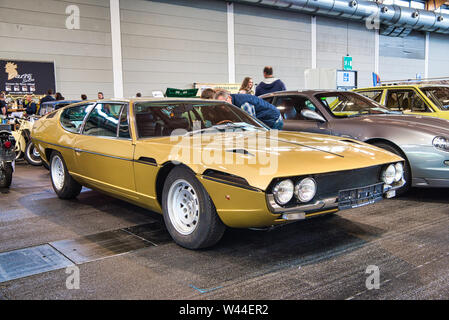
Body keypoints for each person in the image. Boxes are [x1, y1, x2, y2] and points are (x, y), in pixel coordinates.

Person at [214, 90, 283, 130]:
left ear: (229, 97)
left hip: (274, 120)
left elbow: (251, 124)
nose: (223, 107)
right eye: (221, 106)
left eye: (224, 103)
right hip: (264, 121)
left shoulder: (244, 104)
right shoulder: (233, 102)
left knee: (271, 144)